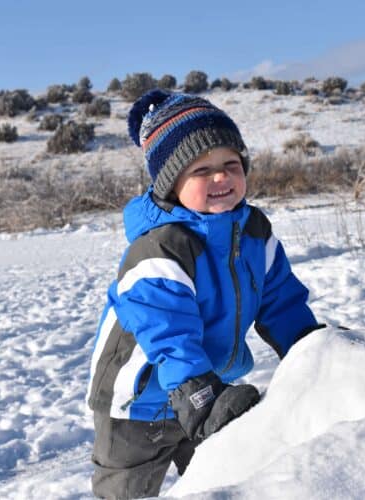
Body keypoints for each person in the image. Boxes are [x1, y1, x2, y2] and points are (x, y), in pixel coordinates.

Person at [86, 89, 325, 499]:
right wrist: (199, 394)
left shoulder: (253, 234)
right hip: (141, 404)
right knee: (126, 491)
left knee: (220, 483)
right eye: (201, 170)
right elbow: (168, 332)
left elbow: (281, 302)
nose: (221, 177)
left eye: (231, 164)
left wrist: (312, 350)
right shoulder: (160, 247)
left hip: (210, 391)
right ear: (170, 182)